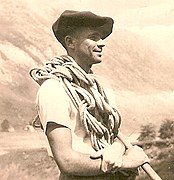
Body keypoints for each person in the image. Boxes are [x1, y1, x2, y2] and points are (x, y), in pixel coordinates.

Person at [30, 10, 149, 180]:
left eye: (101, 38)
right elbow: (66, 161)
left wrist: (117, 149)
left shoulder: (101, 88)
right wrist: (123, 163)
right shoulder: (54, 89)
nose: (102, 43)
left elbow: (114, 134)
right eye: (94, 37)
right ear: (70, 42)